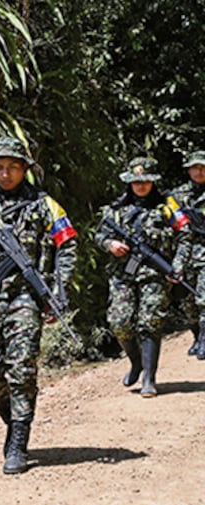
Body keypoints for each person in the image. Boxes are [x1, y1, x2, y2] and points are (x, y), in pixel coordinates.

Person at [0, 136, 77, 474]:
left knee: (21, 368)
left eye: (12, 167)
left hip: (26, 297)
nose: (6, 174)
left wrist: (58, 292)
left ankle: (19, 442)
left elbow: (66, 246)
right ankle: (13, 422)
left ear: (24, 168)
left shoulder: (44, 204)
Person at [94, 157, 191, 397]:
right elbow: (98, 235)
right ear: (129, 182)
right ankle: (135, 362)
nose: (141, 186)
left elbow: (185, 236)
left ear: (153, 182)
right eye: (136, 182)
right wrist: (110, 244)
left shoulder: (168, 206)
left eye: (145, 181)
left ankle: (149, 377)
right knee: (120, 322)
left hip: (155, 273)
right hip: (122, 273)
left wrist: (177, 266)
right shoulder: (116, 209)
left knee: (150, 323)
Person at [167, 151, 205, 358]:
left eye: (202, 167)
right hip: (184, 254)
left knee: (204, 298)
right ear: (189, 170)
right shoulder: (176, 196)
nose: (199, 171)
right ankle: (197, 334)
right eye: (195, 167)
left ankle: (204, 339)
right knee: (187, 300)